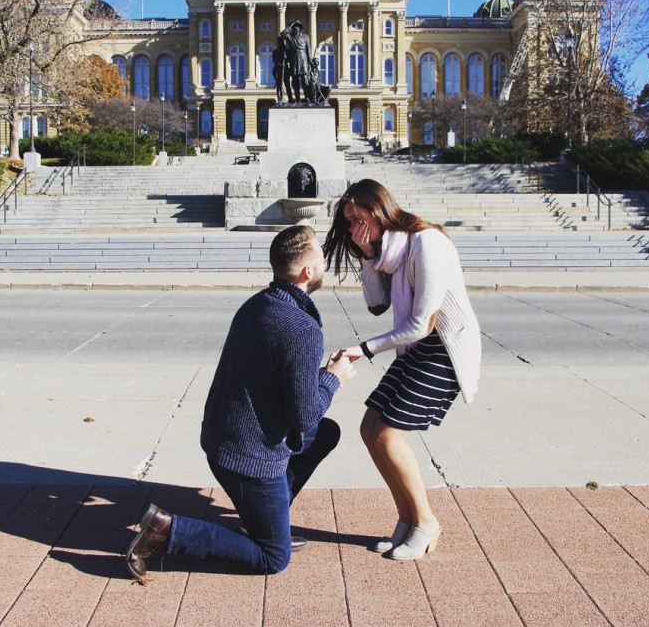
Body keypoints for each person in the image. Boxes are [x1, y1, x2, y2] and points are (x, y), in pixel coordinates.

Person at [126, 225, 356, 577]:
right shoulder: (303, 329)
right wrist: (333, 377)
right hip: (249, 461)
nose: (326, 260)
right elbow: (304, 415)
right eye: (322, 256)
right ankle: (168, 530)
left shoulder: (257, 305)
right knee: (273, 558)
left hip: (222, 442)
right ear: (308, 271)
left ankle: (263, 515)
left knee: (326, 433)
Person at [323, 179, 481, 560]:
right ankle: (407, 520)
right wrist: (365, 252)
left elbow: (423, 323)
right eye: (348, 222)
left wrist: (363, 348)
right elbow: (376, 304)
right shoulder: (388, 252)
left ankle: (426, 522)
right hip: (416, 348)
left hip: (442, 349)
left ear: (378, 211)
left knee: (389, 436)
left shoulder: (426, 243)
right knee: (370, 429)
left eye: (358, 218)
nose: (353, 227)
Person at [280, 20, 312, 103]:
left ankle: (307, 97)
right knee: (295, 81)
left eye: (297, 26)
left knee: (305, 80)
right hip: (294, 59)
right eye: (294, 27)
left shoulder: (306, 37)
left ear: (300, 28)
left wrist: (310, 61)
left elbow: (308, 50)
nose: (296, 28)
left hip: (303, 58)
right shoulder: (290, 37)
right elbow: (282, 34)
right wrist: (290, 26)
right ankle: (297, 99)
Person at [271, 37, 293, 104]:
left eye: (282, 41)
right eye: (280, 42)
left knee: (288, 86)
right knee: (279, 86)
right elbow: (275, 61)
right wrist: (280, 64)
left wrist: (286, 58)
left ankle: (290, 99)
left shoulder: (286, 51)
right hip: (279, 70)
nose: (281, 43)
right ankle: (280, 99)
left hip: (286, 70)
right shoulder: (275, 52)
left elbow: (290, 60)